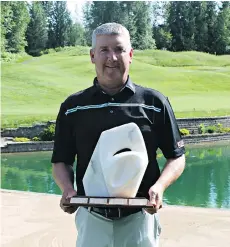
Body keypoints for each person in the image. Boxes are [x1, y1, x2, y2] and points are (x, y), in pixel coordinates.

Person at [51, 22, 186, 247]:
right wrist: (66, 189)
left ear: (130, 54)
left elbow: (177, 156)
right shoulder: (73, 107)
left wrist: (159, 187)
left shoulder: (154, 103)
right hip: (92, 219)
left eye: (119, 49)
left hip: (140, 219)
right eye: (104, 50)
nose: (112, 57)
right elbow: (61, 161)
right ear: (93, 55)